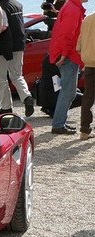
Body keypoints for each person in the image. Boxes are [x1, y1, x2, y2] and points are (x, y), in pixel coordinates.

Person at [49, 0, 87, 135]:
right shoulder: (73, 8)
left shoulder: (71, 6)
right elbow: (67, 35)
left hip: (68, 55)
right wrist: (64, 55)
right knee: (67, 92)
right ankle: (58, 124)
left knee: (69, 91)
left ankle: (59, 123)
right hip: (68, 56)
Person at [0, 0, 34, 116]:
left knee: (1, 78)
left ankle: (6, 107)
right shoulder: (18, 5)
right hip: (19, 44)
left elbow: (2, 27)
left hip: (4, 45)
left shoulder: (0, 7)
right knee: (17, 75)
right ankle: (27, 97)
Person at [76, 9, 95, 140]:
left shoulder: (87, 19)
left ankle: (84, 130)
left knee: (88, 97)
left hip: (89, 63)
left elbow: (79, 45)